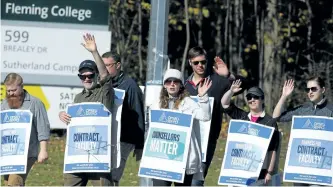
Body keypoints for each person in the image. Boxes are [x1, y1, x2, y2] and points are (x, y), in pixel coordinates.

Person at [185, 46, 250, 186]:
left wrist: (228, 76)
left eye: (203, 62)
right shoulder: (184, 86)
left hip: (207, 140)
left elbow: (244, 84)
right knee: (184, 182)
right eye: (196, 63)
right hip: (187, 140)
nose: (200, 65)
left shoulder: (217, 81)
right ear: (190, 62)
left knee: (196, 182)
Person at [58, 33, 115, 186]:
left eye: (90, 75)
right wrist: (62, 115)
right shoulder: (78, 98)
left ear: (95, 75)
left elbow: (105, 76)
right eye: (83, 76)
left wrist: (94, 52)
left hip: (100, 155)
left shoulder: (105, 92)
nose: (87, 79)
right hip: (77, 155)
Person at [150, 68, 212, 186]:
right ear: (164, 85)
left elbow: (205, 116)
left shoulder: (188, 103)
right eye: (168, 81)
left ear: (181, 85)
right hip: (161, 159)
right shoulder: (156, 105)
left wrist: (203, 97)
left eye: (176, 81)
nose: (172, 84)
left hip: (184, 159)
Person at [273, 76, 333, 186]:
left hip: (321, 171)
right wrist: (284, 96)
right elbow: (276, 117)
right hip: (300, 170)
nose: (310, 92)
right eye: (307, 89)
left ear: (323, 90)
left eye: (313, 89)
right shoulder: (302, 109)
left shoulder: (331, 110)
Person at [221, 80, 280, 184]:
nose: (252, 100)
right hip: (239, 169)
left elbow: (273, 150)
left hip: (259, 172)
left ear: (262, 99)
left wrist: (269, 172)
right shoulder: (242, 117)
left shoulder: (270, 122)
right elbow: (224, 104)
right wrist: (231, 91)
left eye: (255, 97)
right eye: (249, 97)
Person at [101, 51, 145, 185]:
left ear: (118, 65)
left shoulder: (130, 85)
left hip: (123, 139)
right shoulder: (101, 83)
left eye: (108, 65)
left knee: (112, 176)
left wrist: (139, 145)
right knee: (103, 176)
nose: (104, 69)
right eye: (102, 66)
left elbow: (139, 114)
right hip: (106, 137)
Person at [1, 73, 50, 186]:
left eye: (13, 90)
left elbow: (43, 127)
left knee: (14, 184)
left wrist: (43, 150)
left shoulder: (35, 103)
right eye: (8, 91)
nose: (11, 93)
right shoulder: (4, 104)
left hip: (26, 154)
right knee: (8, 183)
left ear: (22, 87)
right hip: (8, 154)